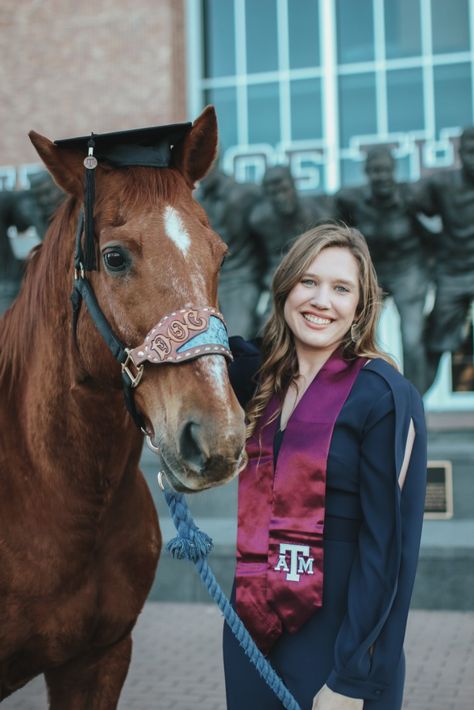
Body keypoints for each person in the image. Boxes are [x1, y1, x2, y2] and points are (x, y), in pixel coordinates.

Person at [223, 223, 427, 710]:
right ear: (286, 286)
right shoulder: (261, 381)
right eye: (308, 282)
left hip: (338, 638)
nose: (321, 300)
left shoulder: (384, 396)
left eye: (341, 289)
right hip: (251, 629)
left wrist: (353, 678)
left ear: (360, 305)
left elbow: (391, 554)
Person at [334, 147, 431, 394]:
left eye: (386, 170)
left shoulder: (410, 197)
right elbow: (337, 229)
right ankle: (365, 397)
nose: (382, 176)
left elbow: (433, 227)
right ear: (367, 173)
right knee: (359, 335)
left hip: (408, 271)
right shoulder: (352, 200)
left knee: (412, 339)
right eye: (376, 171)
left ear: (394, 171)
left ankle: (415, 400)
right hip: (374, 273)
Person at [413, 126, 474, 390]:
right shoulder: (442, 185)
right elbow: (409, 204)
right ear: (460, 153)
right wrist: (432, 241)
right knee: (435, 342)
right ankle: (408, 414)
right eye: (471, 152)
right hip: (453, 273)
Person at [249, 165, 331, 324]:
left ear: (294, 186)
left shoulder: (319, 215)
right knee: (266, 329)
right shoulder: (259, 221)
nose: (280, 197)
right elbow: (258, 258)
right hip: (277, 282)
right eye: (273, 193)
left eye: (283, 190)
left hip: (313, 280)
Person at [195, 161, 263, 338]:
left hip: (240, 281)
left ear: (215, 163)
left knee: (234, 341)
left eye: (205, 170)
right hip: (209, 282)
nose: (200, 177)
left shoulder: (243, 194)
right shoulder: (197, 200)